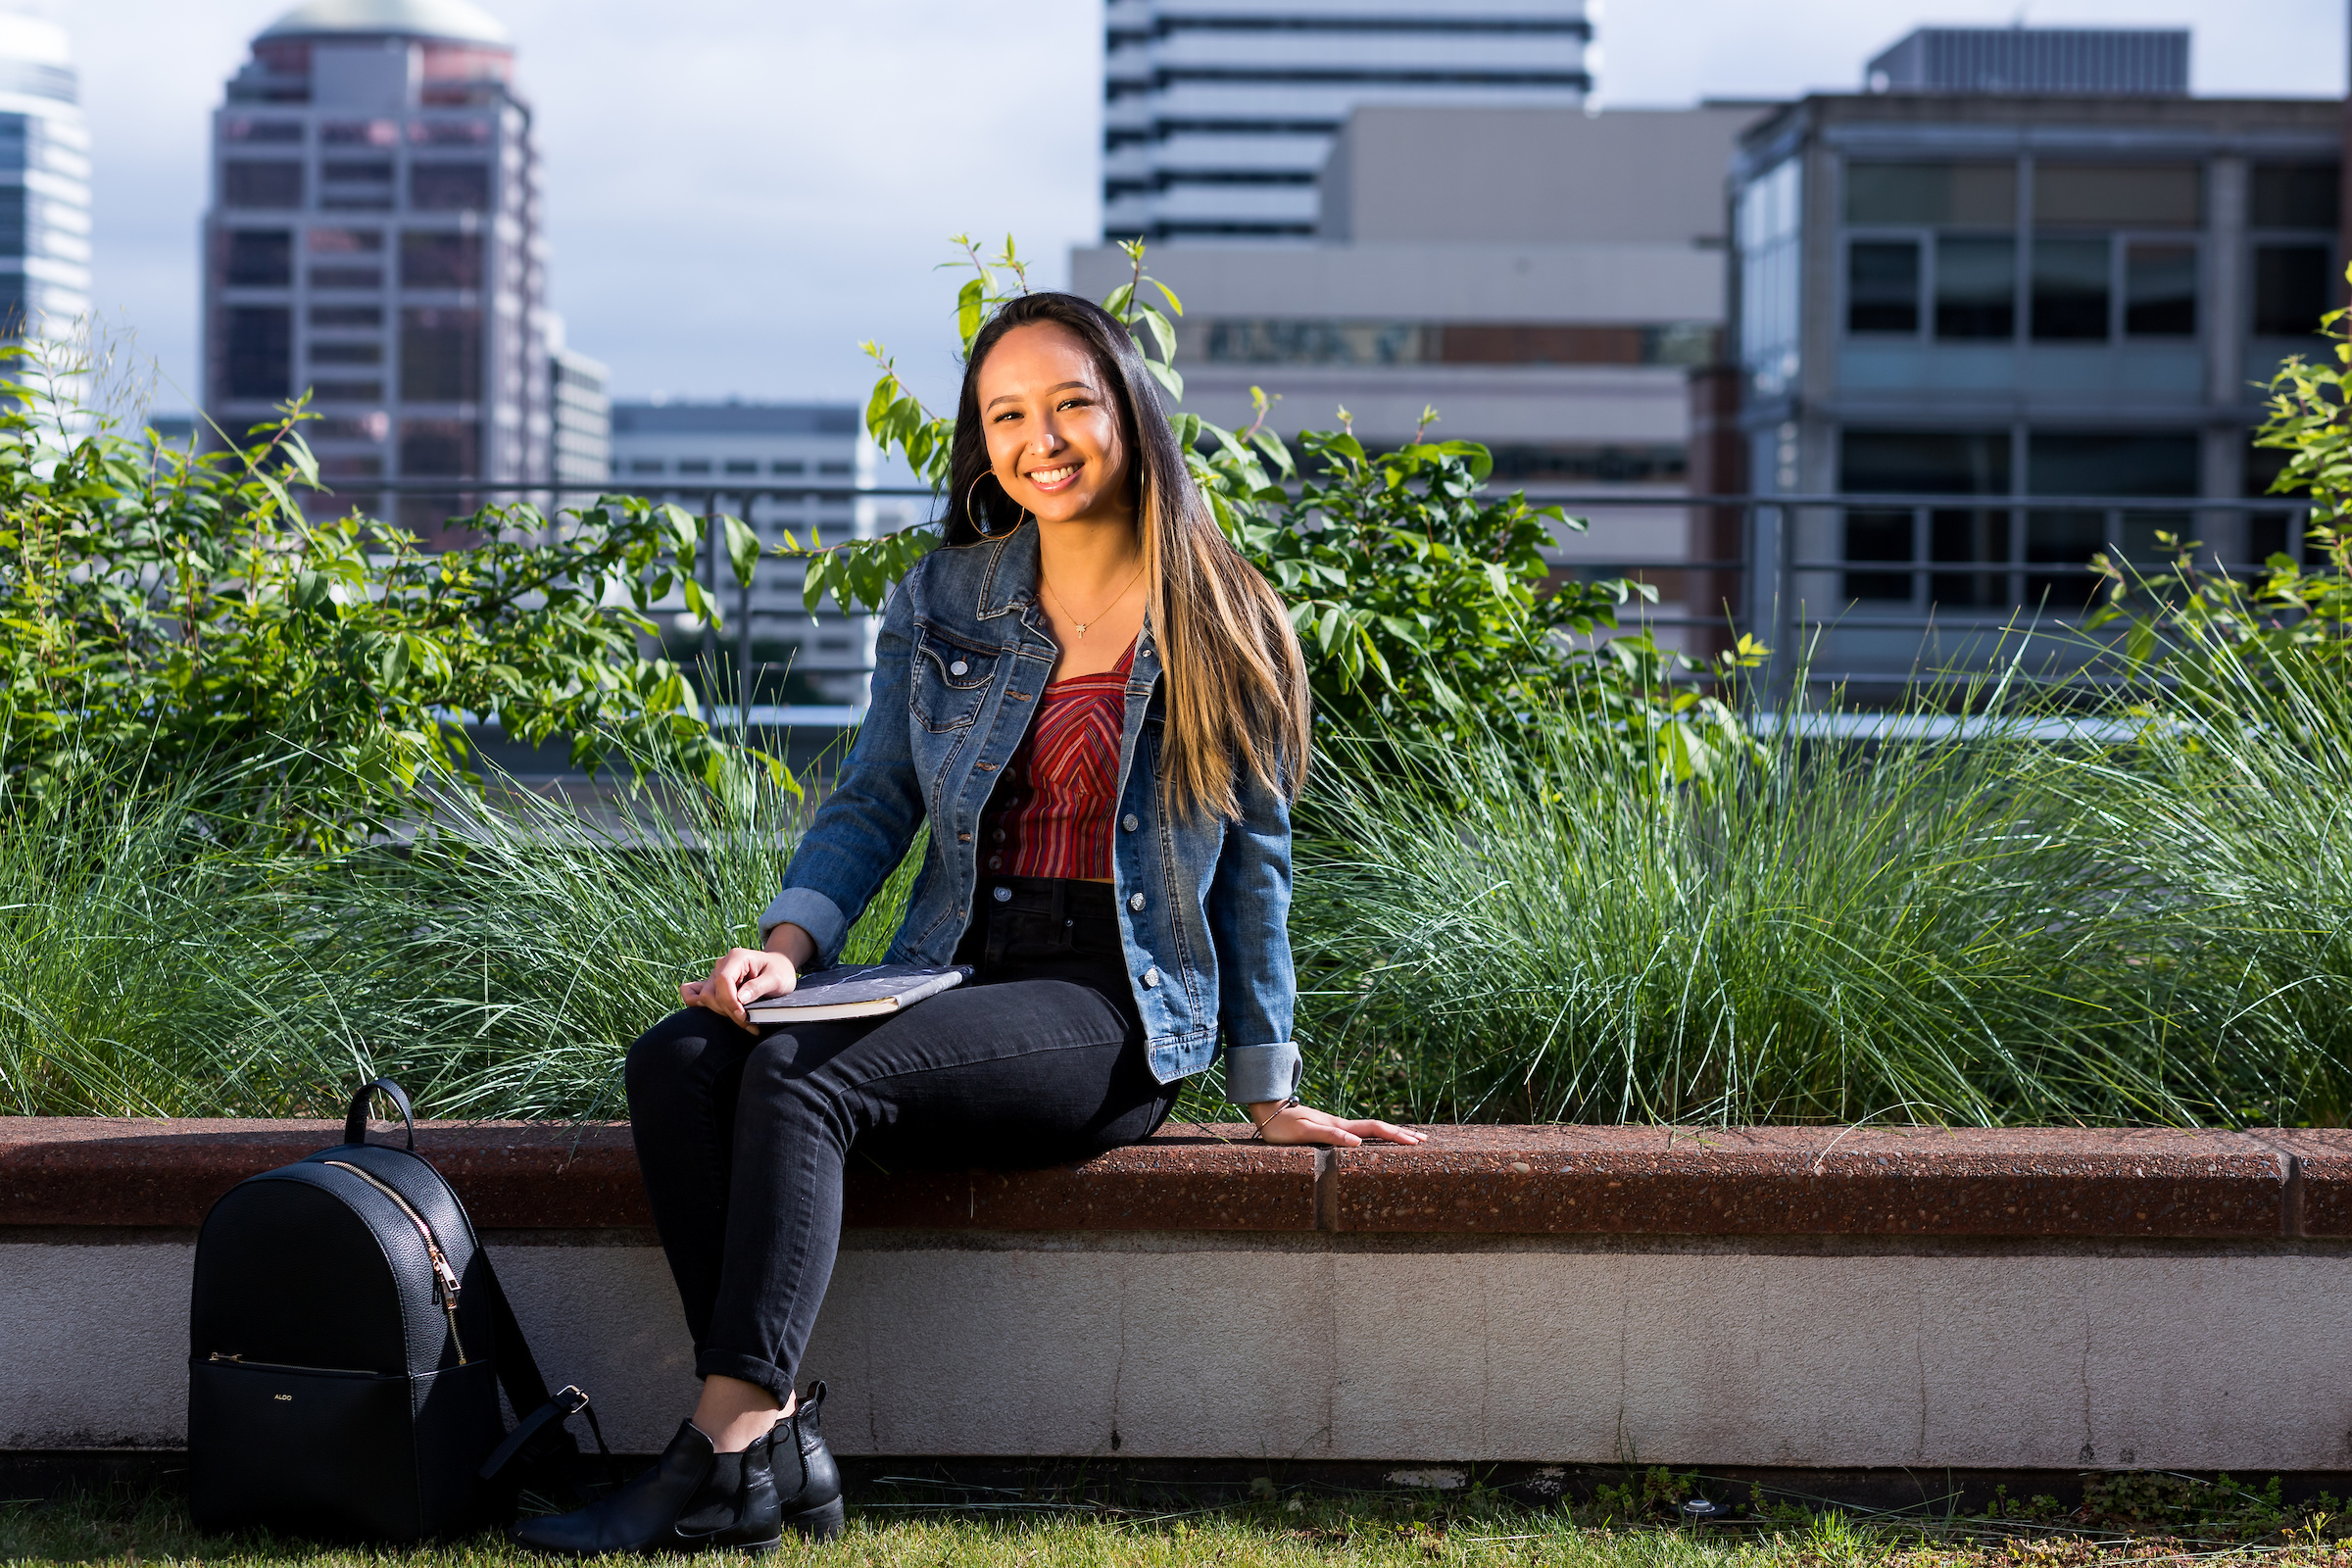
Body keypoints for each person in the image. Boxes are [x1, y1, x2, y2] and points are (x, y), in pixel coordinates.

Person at [514, 291, 1423, 1557]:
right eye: (1007, 414)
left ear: (1126, 413)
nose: (1038, 437)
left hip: (1109, 1009)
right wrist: (781, 951)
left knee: (797, 1081)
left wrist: (1267, 1085)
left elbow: (1254, 878)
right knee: (680, 1060)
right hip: (951, 971)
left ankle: (725, 1455)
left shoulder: (1225, 616)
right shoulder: (946, 595)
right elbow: (875, 796)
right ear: (981, 440)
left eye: (1068, 404)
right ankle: (778, 1443)